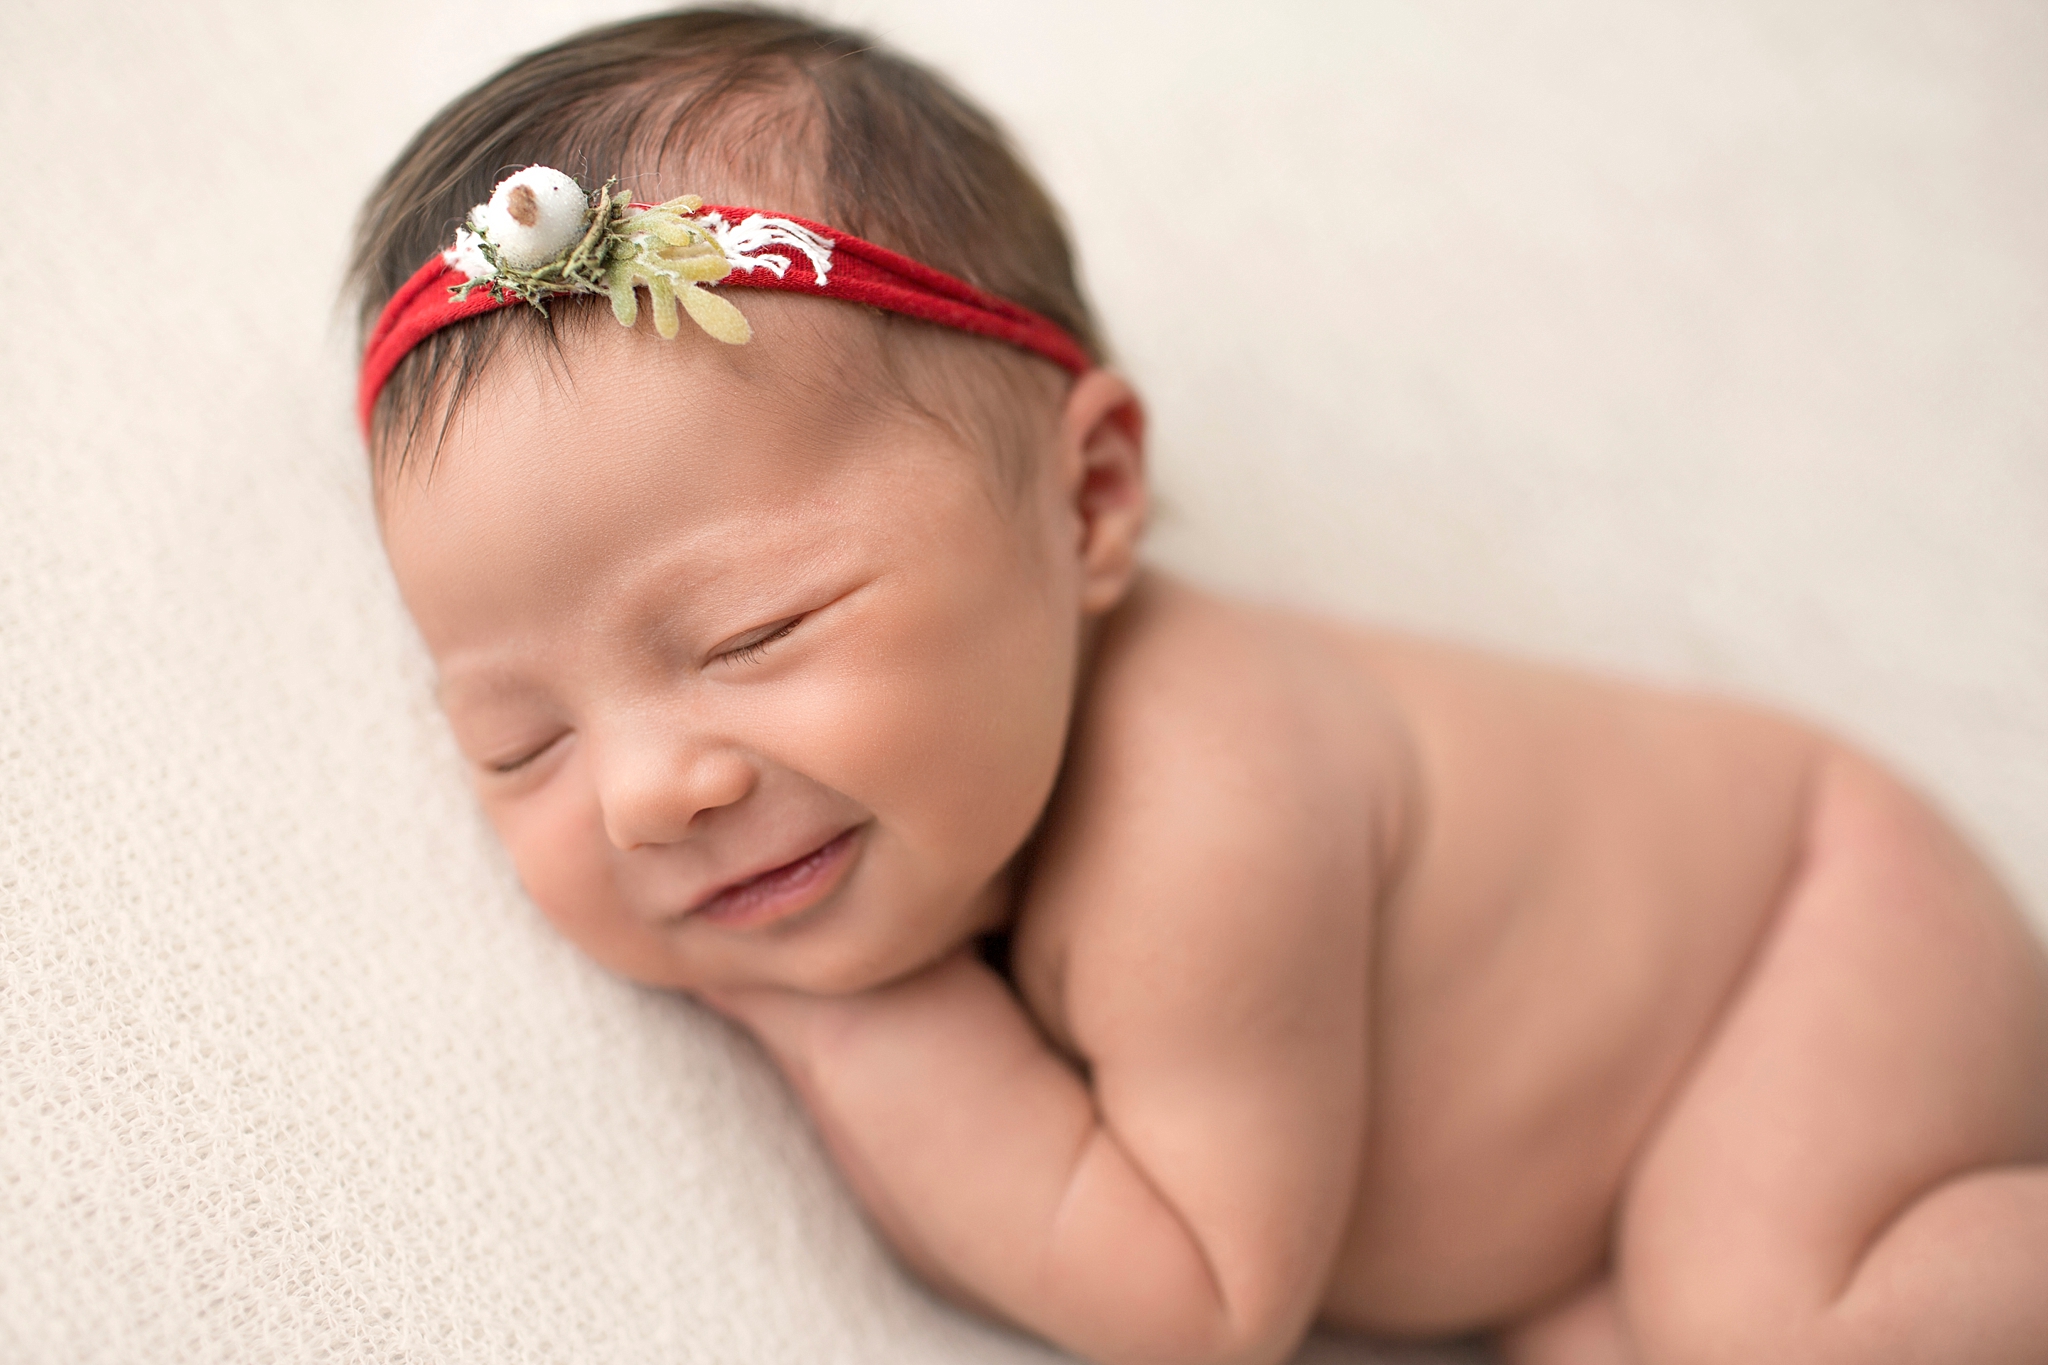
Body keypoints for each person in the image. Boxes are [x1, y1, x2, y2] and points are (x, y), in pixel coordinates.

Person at [351, 10, 2048, 1364]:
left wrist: (832, 1008)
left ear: (1088, 504)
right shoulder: (959, 791)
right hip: (1602, 1185)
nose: (652, 790)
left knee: (1771, 1321)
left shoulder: (1202, 802)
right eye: (525, 737)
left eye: (752, 636)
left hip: (1807, 932)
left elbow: (1204, 1301)